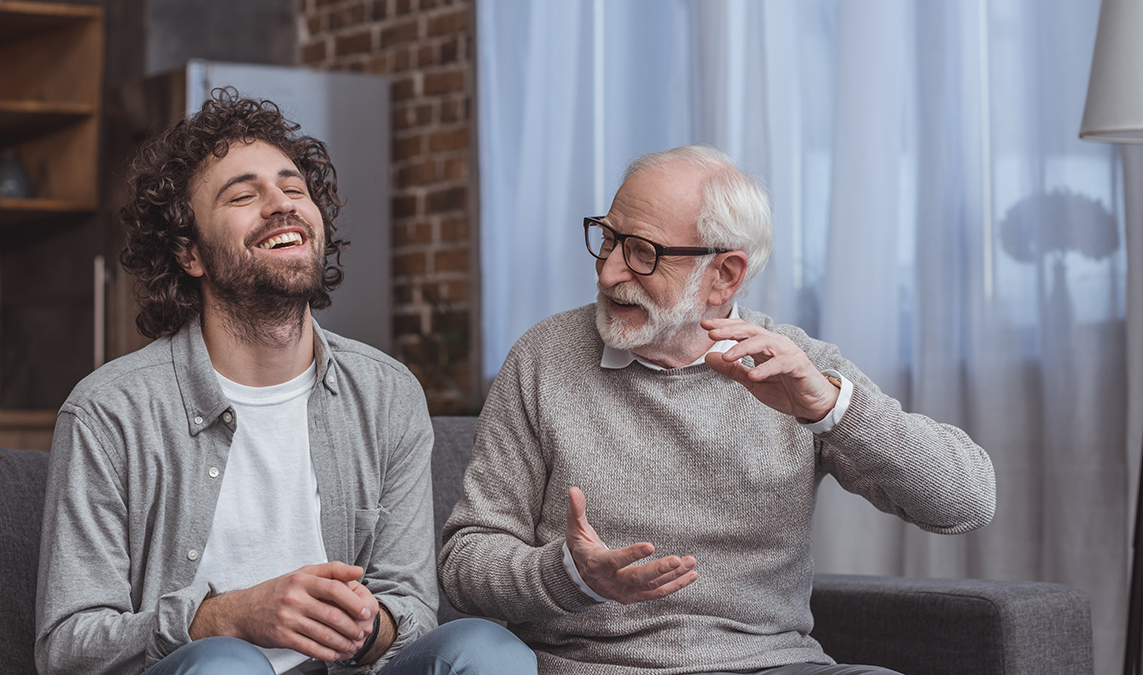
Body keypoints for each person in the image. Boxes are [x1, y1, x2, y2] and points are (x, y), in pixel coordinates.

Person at [438, 144, 996, 675]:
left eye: (642, 252)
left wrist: (831, 409)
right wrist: (568, 575)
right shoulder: (544, 358)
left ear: (724, 275)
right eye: (608, 240)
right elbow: (465, 563)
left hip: (766, 664)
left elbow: (965, 503)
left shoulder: (796, 368)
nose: (609, 272)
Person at [35, 90, 535, 675]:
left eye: (294, 189)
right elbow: (65, 645)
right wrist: (225, 619)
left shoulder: (387, 394)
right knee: (227, 665)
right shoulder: (109, 412)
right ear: (189, 252)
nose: (282, 205)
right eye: (244, 195)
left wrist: (367, 625)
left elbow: (412, 609)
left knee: (486, 649)